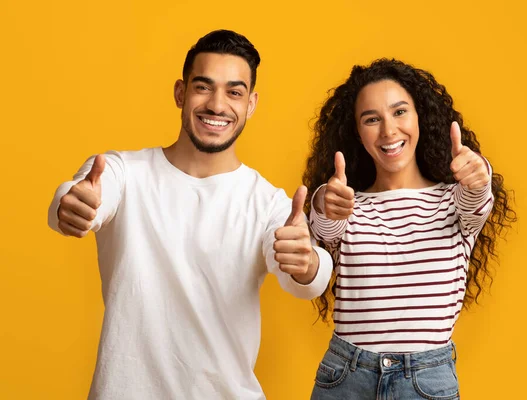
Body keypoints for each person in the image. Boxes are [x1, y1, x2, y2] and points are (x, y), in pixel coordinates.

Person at [47, 29, 333, 400]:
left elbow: (306, 279)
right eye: (203, 87)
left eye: (234, 91)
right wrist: (71, 206)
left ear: (251, 104)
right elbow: (81, 198)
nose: (217, 105)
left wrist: (307, 262)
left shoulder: (268, 203)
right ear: (180, 93)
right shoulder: (123, 172)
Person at [303, 58, 516, 399]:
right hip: (346, 377)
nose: (388, 131)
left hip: (426, 381)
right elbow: (325, 225)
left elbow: (477, 197)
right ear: (357, 133)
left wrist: (480, 175)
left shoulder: (453, 202)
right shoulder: (346, 203)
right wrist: (324, 200)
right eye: (372, 119)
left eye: (400, 112)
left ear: (421, 117)